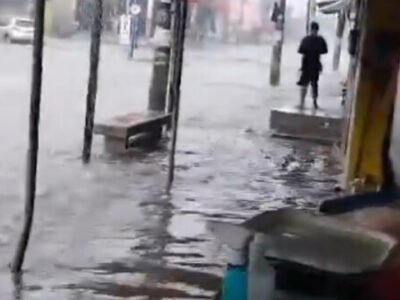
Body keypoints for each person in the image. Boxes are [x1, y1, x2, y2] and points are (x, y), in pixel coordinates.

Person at [297, 21, 328, 109]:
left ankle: (302, 103)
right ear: (317, 30)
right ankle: (314, 103)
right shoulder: (320, 40)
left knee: (304, 84)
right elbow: (324, 51)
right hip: (315, 64)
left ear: (311, 29)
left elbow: (301, 51)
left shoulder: (306, 39)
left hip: (306, 64)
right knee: (314, 84)